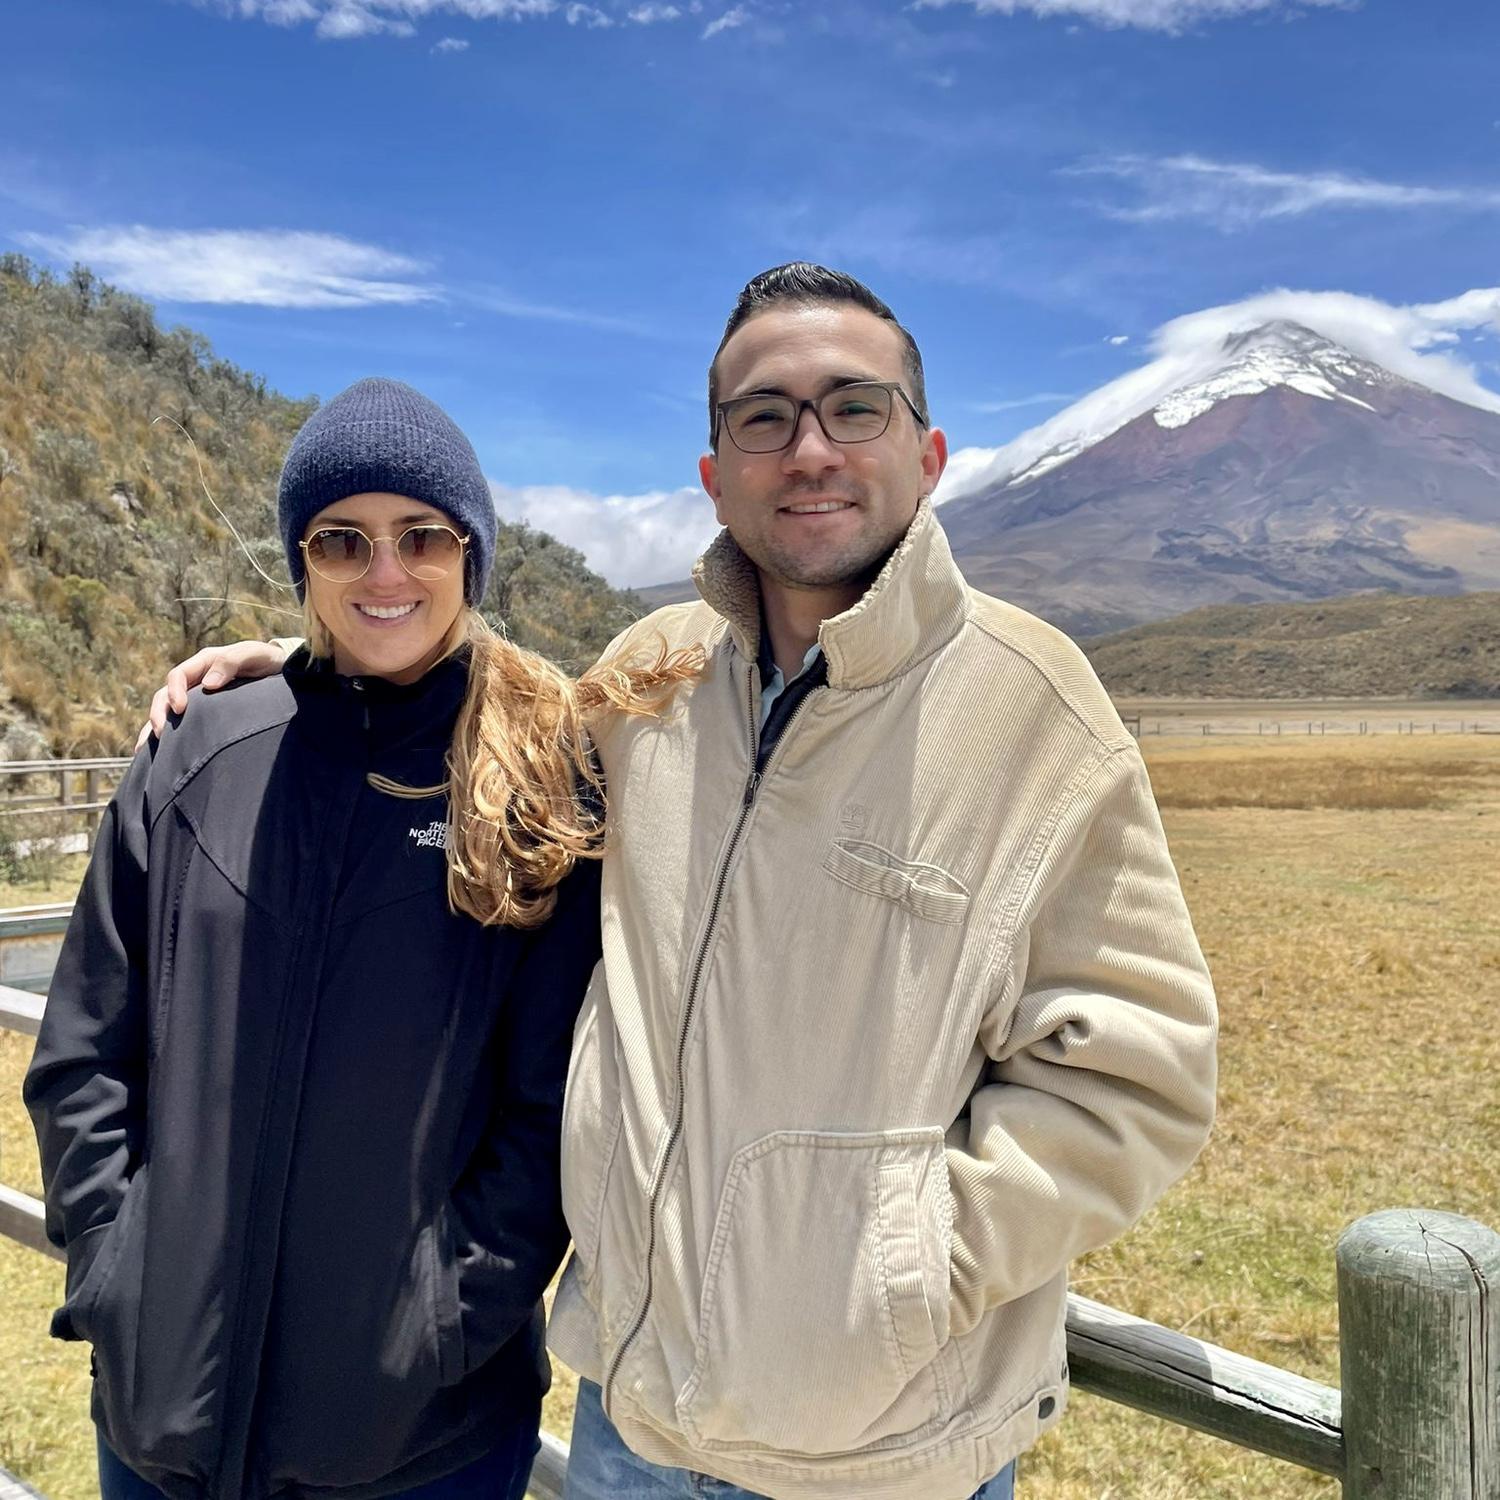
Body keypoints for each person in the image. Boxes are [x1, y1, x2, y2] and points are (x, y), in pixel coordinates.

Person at [147, 265, 1219, 1500]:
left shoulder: (1037, 718)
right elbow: (478, 695)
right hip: (635, 1425)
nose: (808, 449)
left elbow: (1137, 1077)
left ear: (928, 455)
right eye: (764, 417)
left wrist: (898, 1277)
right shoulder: (647, 677)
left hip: (885, 1455)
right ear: (714, 473)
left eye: (853, 407)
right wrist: (311, 669)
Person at [26, 378, 692, 1500]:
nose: (385, 573)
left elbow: (553, 1109)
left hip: (422, 1443)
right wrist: (116, 1270)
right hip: (161, 1423)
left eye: (421, 536)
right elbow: (86, 1049)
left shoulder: (537, 788)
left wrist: (441, 1321)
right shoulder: (196, 754)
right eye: (342, 540)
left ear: (471, 555)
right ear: (305, 563)